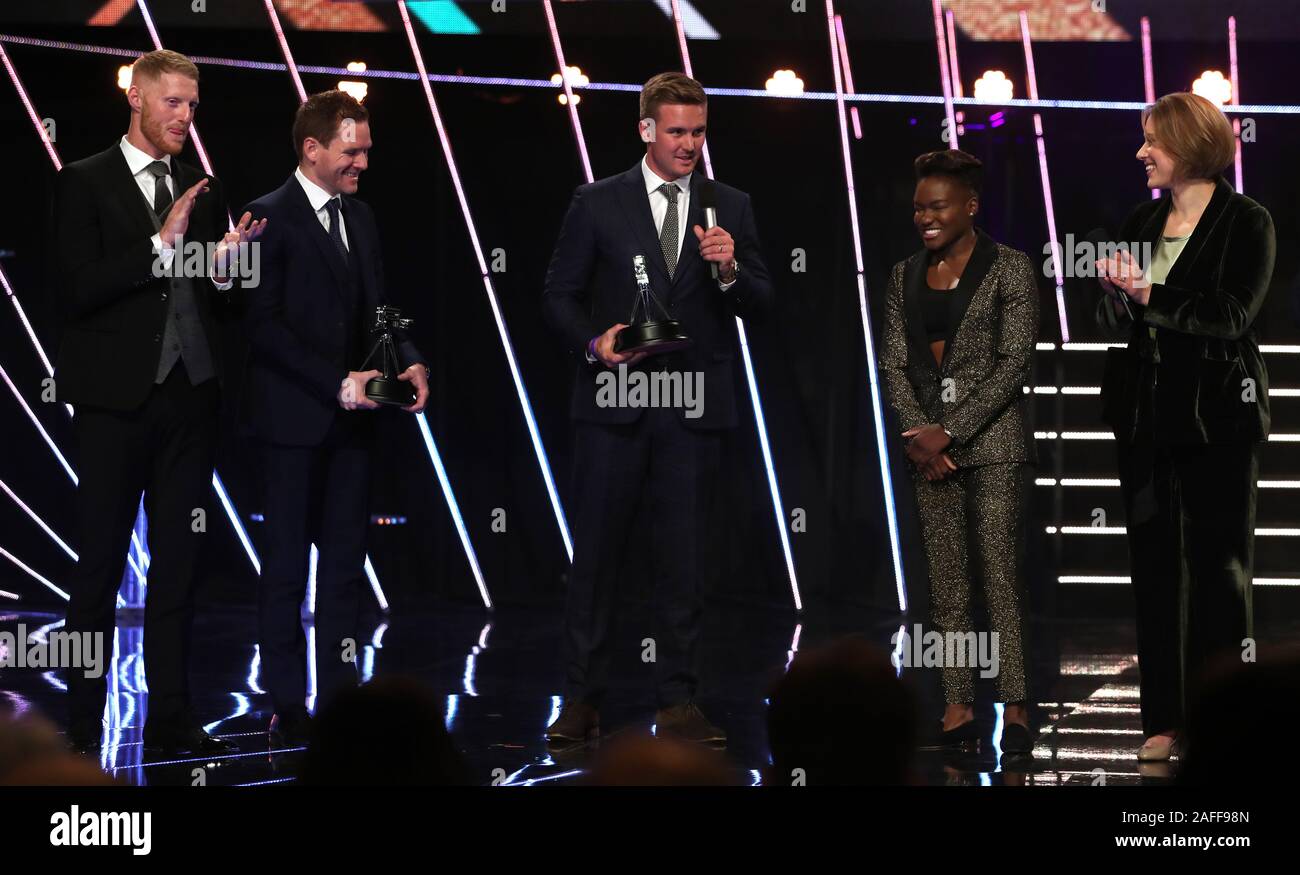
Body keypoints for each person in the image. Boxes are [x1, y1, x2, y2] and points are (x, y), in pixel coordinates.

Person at [541, 72, 774, 745]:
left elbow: (762, 302)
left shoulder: (730, 204)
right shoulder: (596, 203)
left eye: (698, 132)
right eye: (676, 131)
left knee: (685, 561)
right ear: (646, 129)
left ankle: (678, 698)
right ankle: (583, 696)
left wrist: (730, 270)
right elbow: (557, 295)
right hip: (615, 402)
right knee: (596, 560)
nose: (689, 145)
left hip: (694, 410)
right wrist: (594, 341)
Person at [52, 49, 263, 755]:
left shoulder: (203, 189)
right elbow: (77, 289)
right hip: (115, 404)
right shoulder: (83, 183)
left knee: (181, 562)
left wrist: (228, 271)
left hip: (191, 398)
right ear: (137, 100)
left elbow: (218, 303)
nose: (185, 117)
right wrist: (156, 244)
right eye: (173, 102)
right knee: (98, 568)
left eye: (193, 106)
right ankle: (82, 721)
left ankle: (172, 712)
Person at [240, 90, 429, 746]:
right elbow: (261, 329)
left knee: (345, 569)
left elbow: (380, 308)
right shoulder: (266, 217)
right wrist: (334, 382)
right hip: (292, 425)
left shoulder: (363, 218)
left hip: (354, 427)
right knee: (287, 569)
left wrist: (406, 358)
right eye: (352, 151)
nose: (363, 163)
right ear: (313, 148)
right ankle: (288, 704)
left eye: (367, 150)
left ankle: (342, 700)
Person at [1094, 91, 1275, 762]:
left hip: (1217, 420)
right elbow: (1117, 324)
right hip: (1146, 421)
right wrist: (1115, 296)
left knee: (1220, 572)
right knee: (1156, 573)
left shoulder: (1246, 221)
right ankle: (1165, 720)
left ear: (1193, 147)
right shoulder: (1143, 219)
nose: (1142, 152)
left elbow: (1230, 314)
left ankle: (1226, 722)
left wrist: (1148, 293)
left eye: (1155, 141)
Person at [879, 149, 1039, 755]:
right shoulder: (901, 275)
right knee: (946, 587)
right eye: (919, 207)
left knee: (999, 578)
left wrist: (952, 431)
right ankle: (956, 708)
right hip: (926, 450)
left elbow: (1014, 363)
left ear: (970, 207)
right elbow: (893, 364)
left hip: (993, 444)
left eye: (937, 206)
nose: (925, 217)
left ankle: (1018, 708)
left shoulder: (1012, 269)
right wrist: (921, 433)